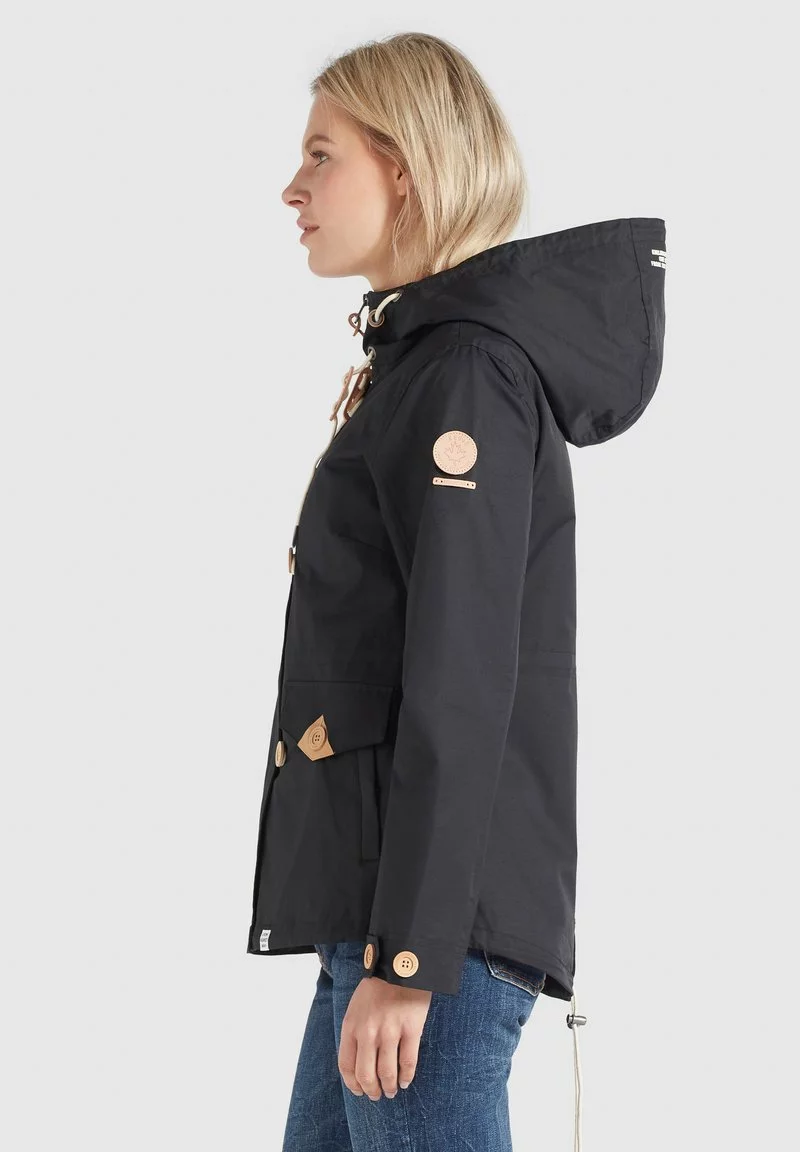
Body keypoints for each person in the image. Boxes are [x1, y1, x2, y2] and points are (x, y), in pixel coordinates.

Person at [246, 31, 666, 1152]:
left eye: (320, 155)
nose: (292, 188)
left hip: (432, 937)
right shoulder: (421, 365)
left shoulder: (466, 372)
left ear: (405, 166)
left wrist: (411, 960)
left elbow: (461, 678)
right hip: (388, 921)